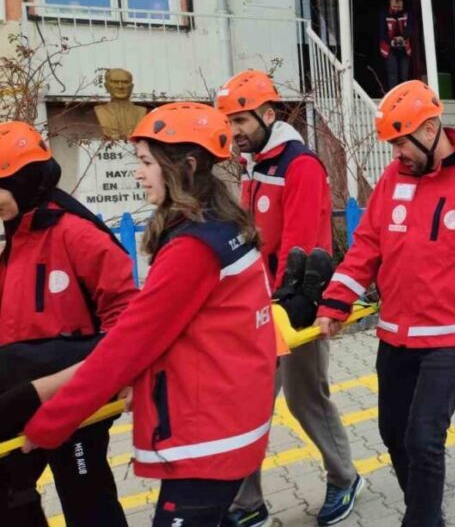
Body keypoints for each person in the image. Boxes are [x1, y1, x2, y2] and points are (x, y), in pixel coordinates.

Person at [16, 102, 277, 527]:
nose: (139, 173)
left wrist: (51, 422)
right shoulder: (225, 226)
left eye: (145, 162)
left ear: (185, 166)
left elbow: (127, 345)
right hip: (229, 423)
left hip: (204, 439)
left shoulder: (192, 249)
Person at [316, 80, 455, 527]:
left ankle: (422, 519)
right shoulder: (394, 179)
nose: (396, 154)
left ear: (431, 128)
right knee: (393, 432)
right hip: (395, 331)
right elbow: (367, 246)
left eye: (401, 142)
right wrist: (335, 303)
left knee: (424, 438)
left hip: (451, 334)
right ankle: (422, 506)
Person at [215, 70, 362, 527]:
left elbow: (302, 245)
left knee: (305, 399)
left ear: (268, 114)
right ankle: (247, 505)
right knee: (246, 405)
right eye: (228, 121)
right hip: (254, 308)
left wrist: (285, 306)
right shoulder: (254, 165)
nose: (233, 130)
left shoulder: (300, 165)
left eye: (240, 119)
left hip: (296, 306)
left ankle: (344, 477)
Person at [0, 121, 135, 527]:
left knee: (86, 495)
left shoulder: (76, 234)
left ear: (23, 182)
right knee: (11, 490)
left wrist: (122, 373)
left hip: (75, 392)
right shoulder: (12, 236)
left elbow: (127, 310)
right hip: (22, 392)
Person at [380, 0, 416, 91]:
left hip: (404, 47)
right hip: (389, 48)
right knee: (392, 73)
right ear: (390, 4)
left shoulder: (407, 14)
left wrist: (402, 37)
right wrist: (391, 41)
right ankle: (394, 95)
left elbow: (410, 29)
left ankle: (404, 95)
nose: (396, 9)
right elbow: (382, 32)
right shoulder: (384, 14)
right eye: (394, 7)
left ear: (402, 5)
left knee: (404, 74)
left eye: (399, 7)